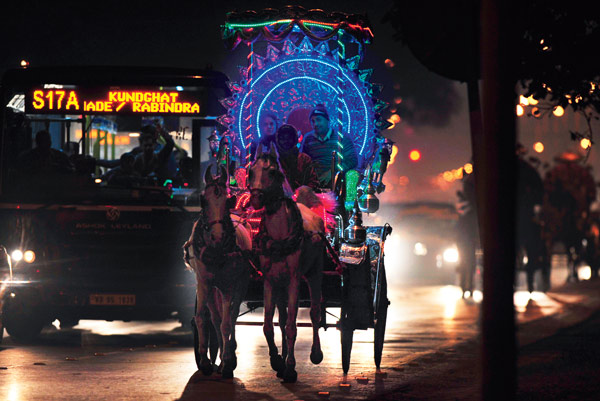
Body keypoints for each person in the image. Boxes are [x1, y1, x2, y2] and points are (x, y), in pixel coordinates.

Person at [300, 104, 358, 187]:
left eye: (319, 120)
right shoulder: (308, 138)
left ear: (327, 120)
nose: (315, 124)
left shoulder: (342, 137)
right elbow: (303, 162)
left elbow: (353, 161)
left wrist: (332, 172)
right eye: (313, 121)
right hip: (314, 185)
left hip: (338, 184)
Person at [273, 124, 319, 191]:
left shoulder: (304, 159)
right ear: (278, 141)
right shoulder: (274, 160)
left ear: (294, 139)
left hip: (302, 199)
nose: (286, 141)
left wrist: (303, 192)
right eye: (282, 139)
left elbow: (313, 182)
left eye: (289, 138)